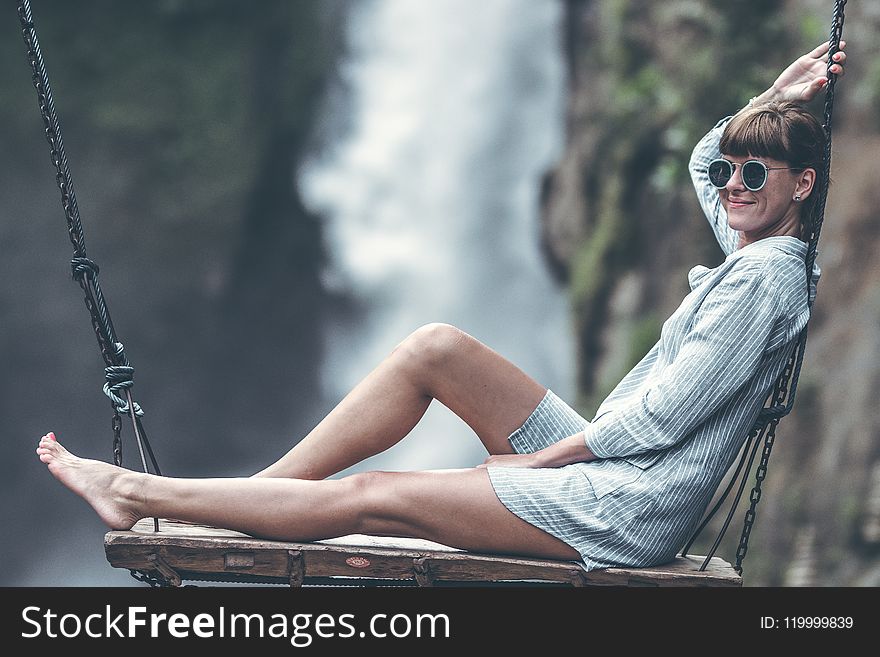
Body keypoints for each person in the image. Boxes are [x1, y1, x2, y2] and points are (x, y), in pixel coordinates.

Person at [37, 41, 846, 571]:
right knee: (436, 347)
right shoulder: (763, 247)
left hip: (627, 502)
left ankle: (137, 492)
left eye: (755, 176)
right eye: (732, 175)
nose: (732, 187)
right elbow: (709, 157)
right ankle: (257, 500)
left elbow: (658, 421)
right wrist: (774, 96)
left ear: (802, 186)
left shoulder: (765, 279)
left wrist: (537, 462)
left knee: (377, 494)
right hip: (609, 463)